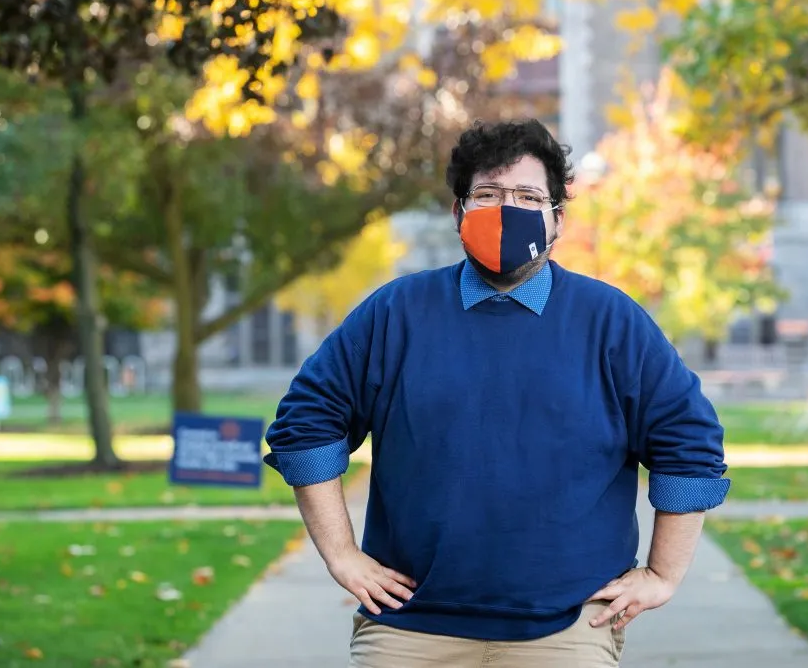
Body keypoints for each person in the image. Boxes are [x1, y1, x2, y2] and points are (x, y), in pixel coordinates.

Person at [265, 119, 731, 667]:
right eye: (487, 194)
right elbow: (305, 424)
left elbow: (690, 444)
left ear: (557, 218)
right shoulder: (396, 313)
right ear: (459, 211)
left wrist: (662, 574)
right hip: (410, 631)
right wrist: (341, 555)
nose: (507, 209)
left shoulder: (610, 322)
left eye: (528, 196)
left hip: (567, 632)